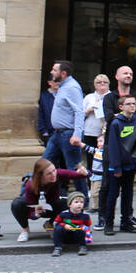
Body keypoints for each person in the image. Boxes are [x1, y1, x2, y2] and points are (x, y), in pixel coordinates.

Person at [103, 95, 136, 241]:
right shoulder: (116, 123)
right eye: (128, 104)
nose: (132, 106)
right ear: (121, 107)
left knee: (128, 195)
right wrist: (116, 167)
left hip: (131, 166)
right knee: (113, 195)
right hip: (117, 168)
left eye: (134, 104)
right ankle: (109, 223)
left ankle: (126, 222)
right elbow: (113, 147)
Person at [43, 60, 89, 198]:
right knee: (44, 164)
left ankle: (83, 199)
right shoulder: (63, 86)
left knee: (74, 169)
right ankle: (34, 195)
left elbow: (79, 111)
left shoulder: (72, 88)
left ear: (63, 73)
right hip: (57, 134)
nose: (51, 72)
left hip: (68, 134)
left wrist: (77, 134)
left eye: (54, 70)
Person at [14, 158, 89, 242]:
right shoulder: (30, 185)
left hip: (52, 206)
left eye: (54, 170)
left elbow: (77, 174)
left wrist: (85, 172)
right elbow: (32, 212)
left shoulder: (57, 174)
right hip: (35, 208)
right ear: (41, 175)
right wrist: (35, 214)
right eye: (49, 173)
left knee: (69, 203)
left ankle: (49, 224)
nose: (53, 174)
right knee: (17, 203)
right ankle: (25, 230)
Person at [51, 192, 93, 257]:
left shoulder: (85, 215)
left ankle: (82, 247)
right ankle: (57, 247)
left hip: (77, 236)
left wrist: (86, 232)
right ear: (70, 204)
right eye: (76, 202)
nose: (79, 204)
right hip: (65, 236)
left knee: (83, 228)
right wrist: (64, 225)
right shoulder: (63, 214)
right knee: (58, 228)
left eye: (81, 202)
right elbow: (55, 223)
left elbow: (88, 225)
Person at [81, 74, 110, 169]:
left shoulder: (112, 97)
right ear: (94, 85)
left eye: (104, 82)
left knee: (106, 159)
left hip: (107, 133)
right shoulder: (89, 97)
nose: (102, 84)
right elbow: (80, 115)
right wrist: (89, 110)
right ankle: (91, 183)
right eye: (99, 82)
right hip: (90, 132)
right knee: (91, 160)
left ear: (108, 84)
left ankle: (104, 183)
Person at [38, 75, 57, 150]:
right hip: (49, 132)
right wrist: (44, 131)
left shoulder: (64, 95)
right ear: (49, 82)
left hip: (63, 132)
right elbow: (40, 114)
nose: (58, 83)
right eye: (55, 81)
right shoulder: (44, 96)